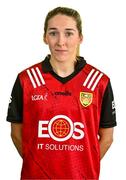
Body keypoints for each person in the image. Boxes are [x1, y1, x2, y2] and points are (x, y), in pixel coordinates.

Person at [6, 6, 117, 180]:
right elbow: (16, 133)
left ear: (80, 37)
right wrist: (37, 164)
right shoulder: (26, 80)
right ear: (45, 37)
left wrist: (82, 165)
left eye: (68, 33)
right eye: (53, 33)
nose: (60, 42)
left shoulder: (98, 82)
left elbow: (107, 138)